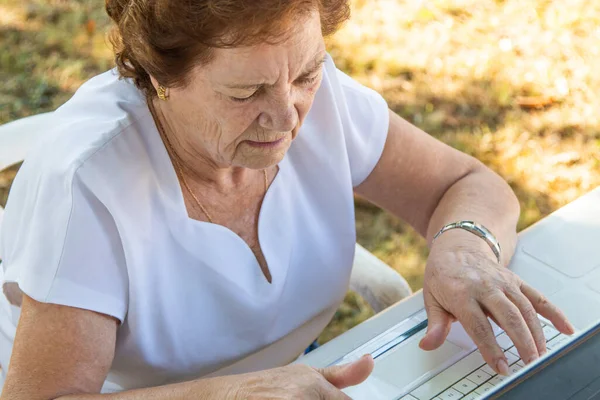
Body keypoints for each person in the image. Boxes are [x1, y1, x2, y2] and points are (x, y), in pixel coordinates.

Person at [0, 0, 574, 398]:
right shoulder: (88, 182)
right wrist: (230, 395)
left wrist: (465, 250)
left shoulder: (314, 97)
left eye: (306, 74)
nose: (286, 116)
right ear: (158, 77)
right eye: (245, 92)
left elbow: (466, 184)